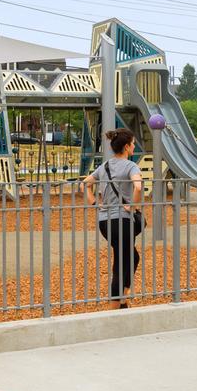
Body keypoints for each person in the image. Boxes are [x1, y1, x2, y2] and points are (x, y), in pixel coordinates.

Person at [82, 127, 143, 306]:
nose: (133, 147)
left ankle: (122, 297)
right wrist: (133, 205)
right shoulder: (131, 166)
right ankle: (115, 306)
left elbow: (84, 184)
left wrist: (95, 204)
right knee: (121, 262)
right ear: (126, 147)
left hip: (105, 222)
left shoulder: (105, 165)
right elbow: (138, 187)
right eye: (132, 144)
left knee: (132, 256)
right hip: (122, 220)